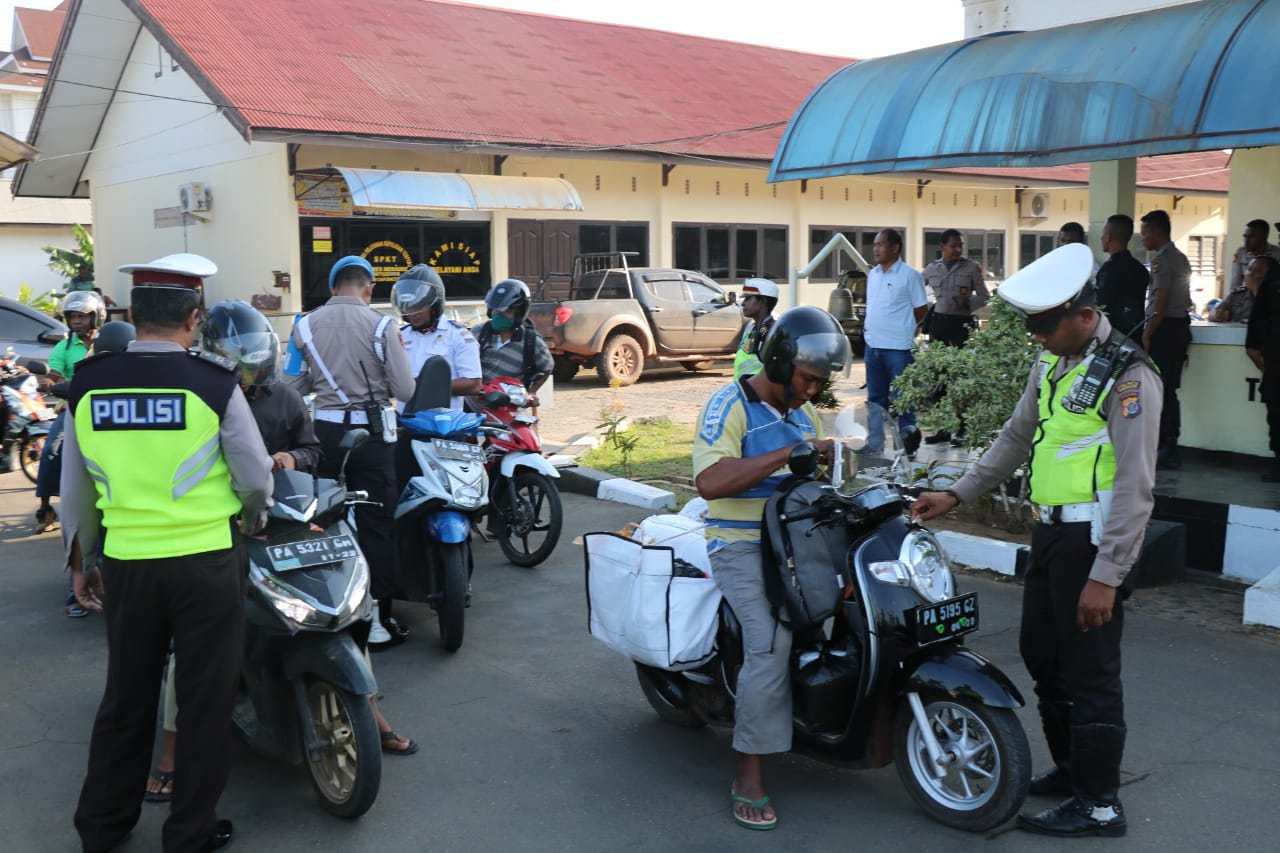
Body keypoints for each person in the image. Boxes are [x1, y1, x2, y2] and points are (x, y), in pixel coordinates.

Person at [912, 243, 1161, 839]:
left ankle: (1100, 804)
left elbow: (1136, 484)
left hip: (1091, 542)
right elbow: (1016, 437)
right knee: (1044, 657)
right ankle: (1075, 771)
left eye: (1045, 326)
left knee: (1090, 672)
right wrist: (957, 493)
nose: (1037, 337)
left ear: (1082, 313)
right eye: (1032, 327)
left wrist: (1108, 575)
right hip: (1049, 533)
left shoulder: (1129, 376)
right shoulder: (1052, 361)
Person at [61, 258, 273, 853]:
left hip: (128, 564)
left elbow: (74, 489)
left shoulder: (89, 382)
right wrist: (253, 517)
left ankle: (102, 828)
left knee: (125, 699)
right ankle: (189, 835)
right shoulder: (214, 383)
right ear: (194, 318)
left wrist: (81, 561)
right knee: (204, 703)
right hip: (206, 563)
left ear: (131, 316)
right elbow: (256, 477)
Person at [692, 305, 848, 831]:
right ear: (781, 365)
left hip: (793, 545)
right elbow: (711, 482)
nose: (812, 391)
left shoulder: (804, 416)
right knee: (769, 642)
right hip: (737, 544)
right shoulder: (728, 404)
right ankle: (749, 772)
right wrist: (788, 454)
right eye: (807, 379)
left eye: (819, 383)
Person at [286, 255, 415, 649]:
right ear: (369, 289)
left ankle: (328, 609)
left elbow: (291, 385)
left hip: (322, 434)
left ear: (332, 288)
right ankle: (377, 620)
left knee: (325, 518)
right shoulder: (381, 325)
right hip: (372, 436)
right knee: (377, 522)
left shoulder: (303, 326)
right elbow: (406, 390)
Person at [36, 291, 106, 539]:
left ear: (96, 317)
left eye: (82, 317)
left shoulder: (108, 342)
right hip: (73, 408)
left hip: (104, 408)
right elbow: (53, 372)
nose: (76, 321)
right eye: (72, 317)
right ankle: (45, 509)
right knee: (51, 450)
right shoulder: (64, 347)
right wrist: (47, 383)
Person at [921, 229, 989, 444]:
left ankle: (962, 429)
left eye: (960, 245)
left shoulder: (970, 268)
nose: (958, 249)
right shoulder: (932, 269)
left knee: (960, 378)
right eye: (953, 245)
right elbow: (914, 287)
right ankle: (942, 429)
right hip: (939, 325)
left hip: (962, 325)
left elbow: (985, 296)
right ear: (942, 247)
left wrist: (968, 303)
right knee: (939, 379)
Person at [863, 228, 927, 455]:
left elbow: (921, 309)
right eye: (875, 245)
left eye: (880, 244)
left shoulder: (910, 275)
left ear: (895, 248)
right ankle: (874, 446)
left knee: (903, 400)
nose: (876, 249)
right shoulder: (873, 274)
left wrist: (903, 328)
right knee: (875, 400)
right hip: (873, 346)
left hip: (898, 349)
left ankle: (906, 446)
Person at [1139, 209, 1193, 470]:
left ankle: (1165, 447)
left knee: (1159, 391)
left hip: (1165, 331)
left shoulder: (1162, 260)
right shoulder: (1180, 257)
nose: (1142, 238)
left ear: (1158, 233)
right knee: (1169, 391)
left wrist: (1147, 335)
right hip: (1179, 329)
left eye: (1145, 232)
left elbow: (1160, 302)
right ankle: (1171, 444)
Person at [393, 263, 482, 412]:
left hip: (443, 425)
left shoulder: (458, 336)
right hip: (406, 421)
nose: (412, 314)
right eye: (407, 308)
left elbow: (473, 384)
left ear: (434, 304)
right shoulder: (401, 336)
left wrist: (424, 386)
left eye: (418, 308)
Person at [472, 278, 554, 399]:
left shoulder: (531, 341)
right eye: (495, 310)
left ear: (519, 313)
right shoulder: (478, 333)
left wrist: (532, 392)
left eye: (506, 312)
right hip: (476, 403)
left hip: (510, 406)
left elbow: (546, 368)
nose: (498, 315)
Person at [1245, 256, 1280, 482]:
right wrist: (1252, 345)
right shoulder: (1274, 278)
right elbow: (1259, 314)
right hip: (1276, 354)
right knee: (1275, 408)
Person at [1095, 214, 1150, 340]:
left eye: (1103, 234)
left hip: (1113, 340)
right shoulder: (1140, 270)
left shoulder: (1109, 271)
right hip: (1134, 339)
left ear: (1108, 237)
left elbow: (1102, 307)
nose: (1101, 237)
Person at [732, 278, 780, 379]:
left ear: (763, 301)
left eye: (748, 298)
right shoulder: (751, 327)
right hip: (745, 388)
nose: (743, 303)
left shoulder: (771, 331)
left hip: (759, 392)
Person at [1212, 254, 1269, 323]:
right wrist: (1217, 315)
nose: (1250, 274)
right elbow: (1214, 312)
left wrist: (1256, 289)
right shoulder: (1236, 295)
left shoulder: (1275, 298)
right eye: (1249, 269)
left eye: (1258, 271)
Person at [1227, 219, 1280, 294]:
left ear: (1264, 236)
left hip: (1271, 298)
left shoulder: (1277, 253)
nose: (1246, 241)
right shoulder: (1241, 252)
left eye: (1251, 237)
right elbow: (1235, 282)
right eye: (1245, 237)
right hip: (1248, 297)